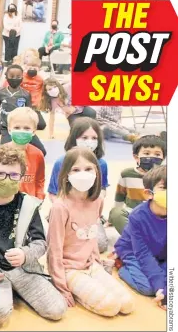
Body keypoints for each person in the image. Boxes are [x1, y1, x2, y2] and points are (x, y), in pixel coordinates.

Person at [0, 145, 66, 325]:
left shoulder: (28, 205)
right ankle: (6, 291)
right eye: (0, 174)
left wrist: (25, 254)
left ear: (21, 178)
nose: (7, 179)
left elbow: (40, 242)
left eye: (13, 175)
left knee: (57, 310)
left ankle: (18, 290)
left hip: (24, 269)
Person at [47, 147, 135, 317]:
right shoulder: (60, 207)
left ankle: (87, 286)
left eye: (88, 169)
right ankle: (78, 293)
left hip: (91, 264)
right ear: (66, 175)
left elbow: (91, 236)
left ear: (96, 172)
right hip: (68, 269)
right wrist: (61, 286)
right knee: (111, 307)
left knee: (127, 304)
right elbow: (54, 249)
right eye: (76, 169)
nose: (83, 173)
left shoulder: (98, 201)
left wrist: (97, 263)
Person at [47, 117, 109, 253]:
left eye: (94, 138)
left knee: (101, 244)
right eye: (84, 137)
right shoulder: (61, 162)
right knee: (58, 243)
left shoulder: (102, 164)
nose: (89, 142)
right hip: (67, 213)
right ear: (74, 138)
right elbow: (53, 192)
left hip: (90, 213)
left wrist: (96, 205)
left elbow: (102, 188)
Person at [114, 165, 167, 310]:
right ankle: (123, 267)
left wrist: (167, 291)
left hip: (161, 254)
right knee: (148, 288)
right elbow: (142, 254)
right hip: (134, 252)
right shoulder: (137, 216)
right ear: (149, 194)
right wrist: (159, 288)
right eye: (164, 187)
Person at [0, 107, 45, 200]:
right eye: (17, 127)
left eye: (26, 128)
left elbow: (40, 180)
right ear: (9, 129)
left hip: (28, 203)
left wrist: (39, 197)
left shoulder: (37, 154)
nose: (21, 131)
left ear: (34, 131)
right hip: (4, 203)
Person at [109, 135, 166, 234]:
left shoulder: (166, 175)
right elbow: (119, 196)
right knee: (116, 213)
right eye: (147, 153)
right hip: (133, 213)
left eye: (157, 154)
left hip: (158, 214)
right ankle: (133, 237)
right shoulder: (126, 174)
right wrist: (112, 219)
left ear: (163, 158)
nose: (152, 157)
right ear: (136, 157)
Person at [0, 64, 46, 156]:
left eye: (18, 76)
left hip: (24, 127)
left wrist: (31, 128)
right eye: (12, 76)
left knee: (42, 152)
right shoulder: (0, 93)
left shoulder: (26, 94)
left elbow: (29, 112)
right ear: (6, 76)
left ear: (22, 77)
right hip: (7, 128)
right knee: (3, 154)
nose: (15, 78)